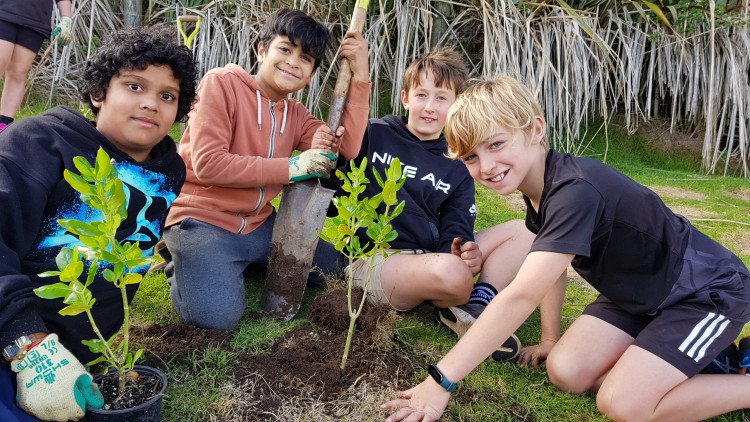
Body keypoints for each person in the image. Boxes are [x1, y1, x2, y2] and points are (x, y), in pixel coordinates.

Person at [382, 77, 750, 421]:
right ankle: (697, 359)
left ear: (536, 130)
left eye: (496, 144)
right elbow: (551, 268)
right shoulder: (540, 191)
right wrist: (549, 339)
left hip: (703, 291)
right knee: (566, 371)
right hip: (636, 296)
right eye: (471, 158)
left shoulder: (575, 190)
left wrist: (441, 381)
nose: (487, 166)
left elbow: (521, 294)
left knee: (623, 403)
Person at [0, 24, 197, 421]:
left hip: (88, 352)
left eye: (167, 95)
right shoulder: (40, 142)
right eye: (135, 86)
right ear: (98, 93)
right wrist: (30, 347)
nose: (151, 104)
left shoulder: (170, 170)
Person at [162, 8, 371, 330]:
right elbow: (208, 164)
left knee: (336, 269)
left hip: (260, 225)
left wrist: (361, 77)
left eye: (305, 59)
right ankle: (182, 263)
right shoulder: (222, 84)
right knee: (216, 318)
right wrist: (292, 167)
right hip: (204, 221)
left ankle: (239, 262)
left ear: (312, 74)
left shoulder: (296, 114)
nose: (292, 62)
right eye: (285, 49)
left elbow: (347, 148)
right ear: (262, 50)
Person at [335, 49, 537, 363]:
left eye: (442, 98)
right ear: (405, 98)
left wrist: (462, 250)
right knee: (452, 275)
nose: (430, 107)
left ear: (456, 106)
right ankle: (453, 297)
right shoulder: (374, 133)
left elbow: (457, 223)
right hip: (374, 259)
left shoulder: (457, 164)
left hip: (432, 256)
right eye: (422, 95)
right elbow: (338, 171)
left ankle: (479, 302)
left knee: (527, 231)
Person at [0, 0, 73, 133]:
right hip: (4, 10)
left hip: (36, 18)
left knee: (18, 73)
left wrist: (66, 19)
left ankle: (3, 126)